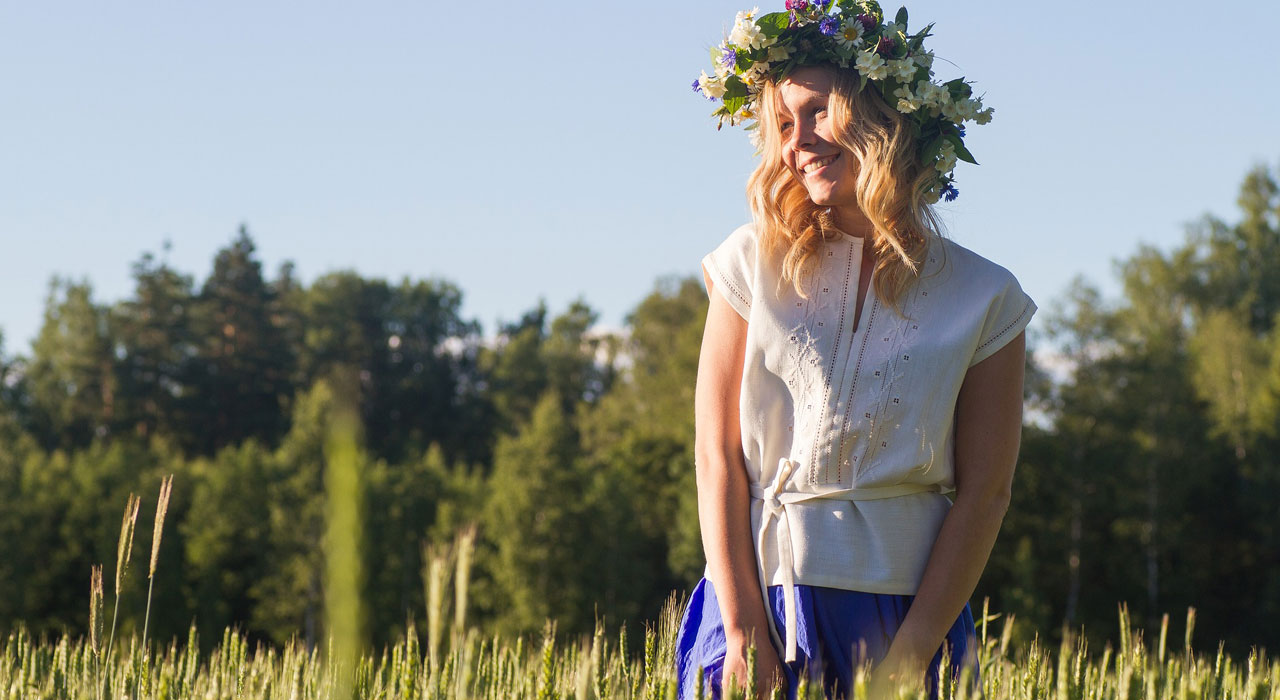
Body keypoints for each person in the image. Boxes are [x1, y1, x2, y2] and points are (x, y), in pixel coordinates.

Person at [677, 2, 1035, 699]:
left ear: (881, 119)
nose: (797, 142)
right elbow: (715, 454)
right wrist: (746, 630)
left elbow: (985, 496)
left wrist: (904, 667)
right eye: (782, 124)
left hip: (903, 621)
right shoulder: (750, 262)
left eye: (814, 113)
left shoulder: (986, 297)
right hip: (755, 604)